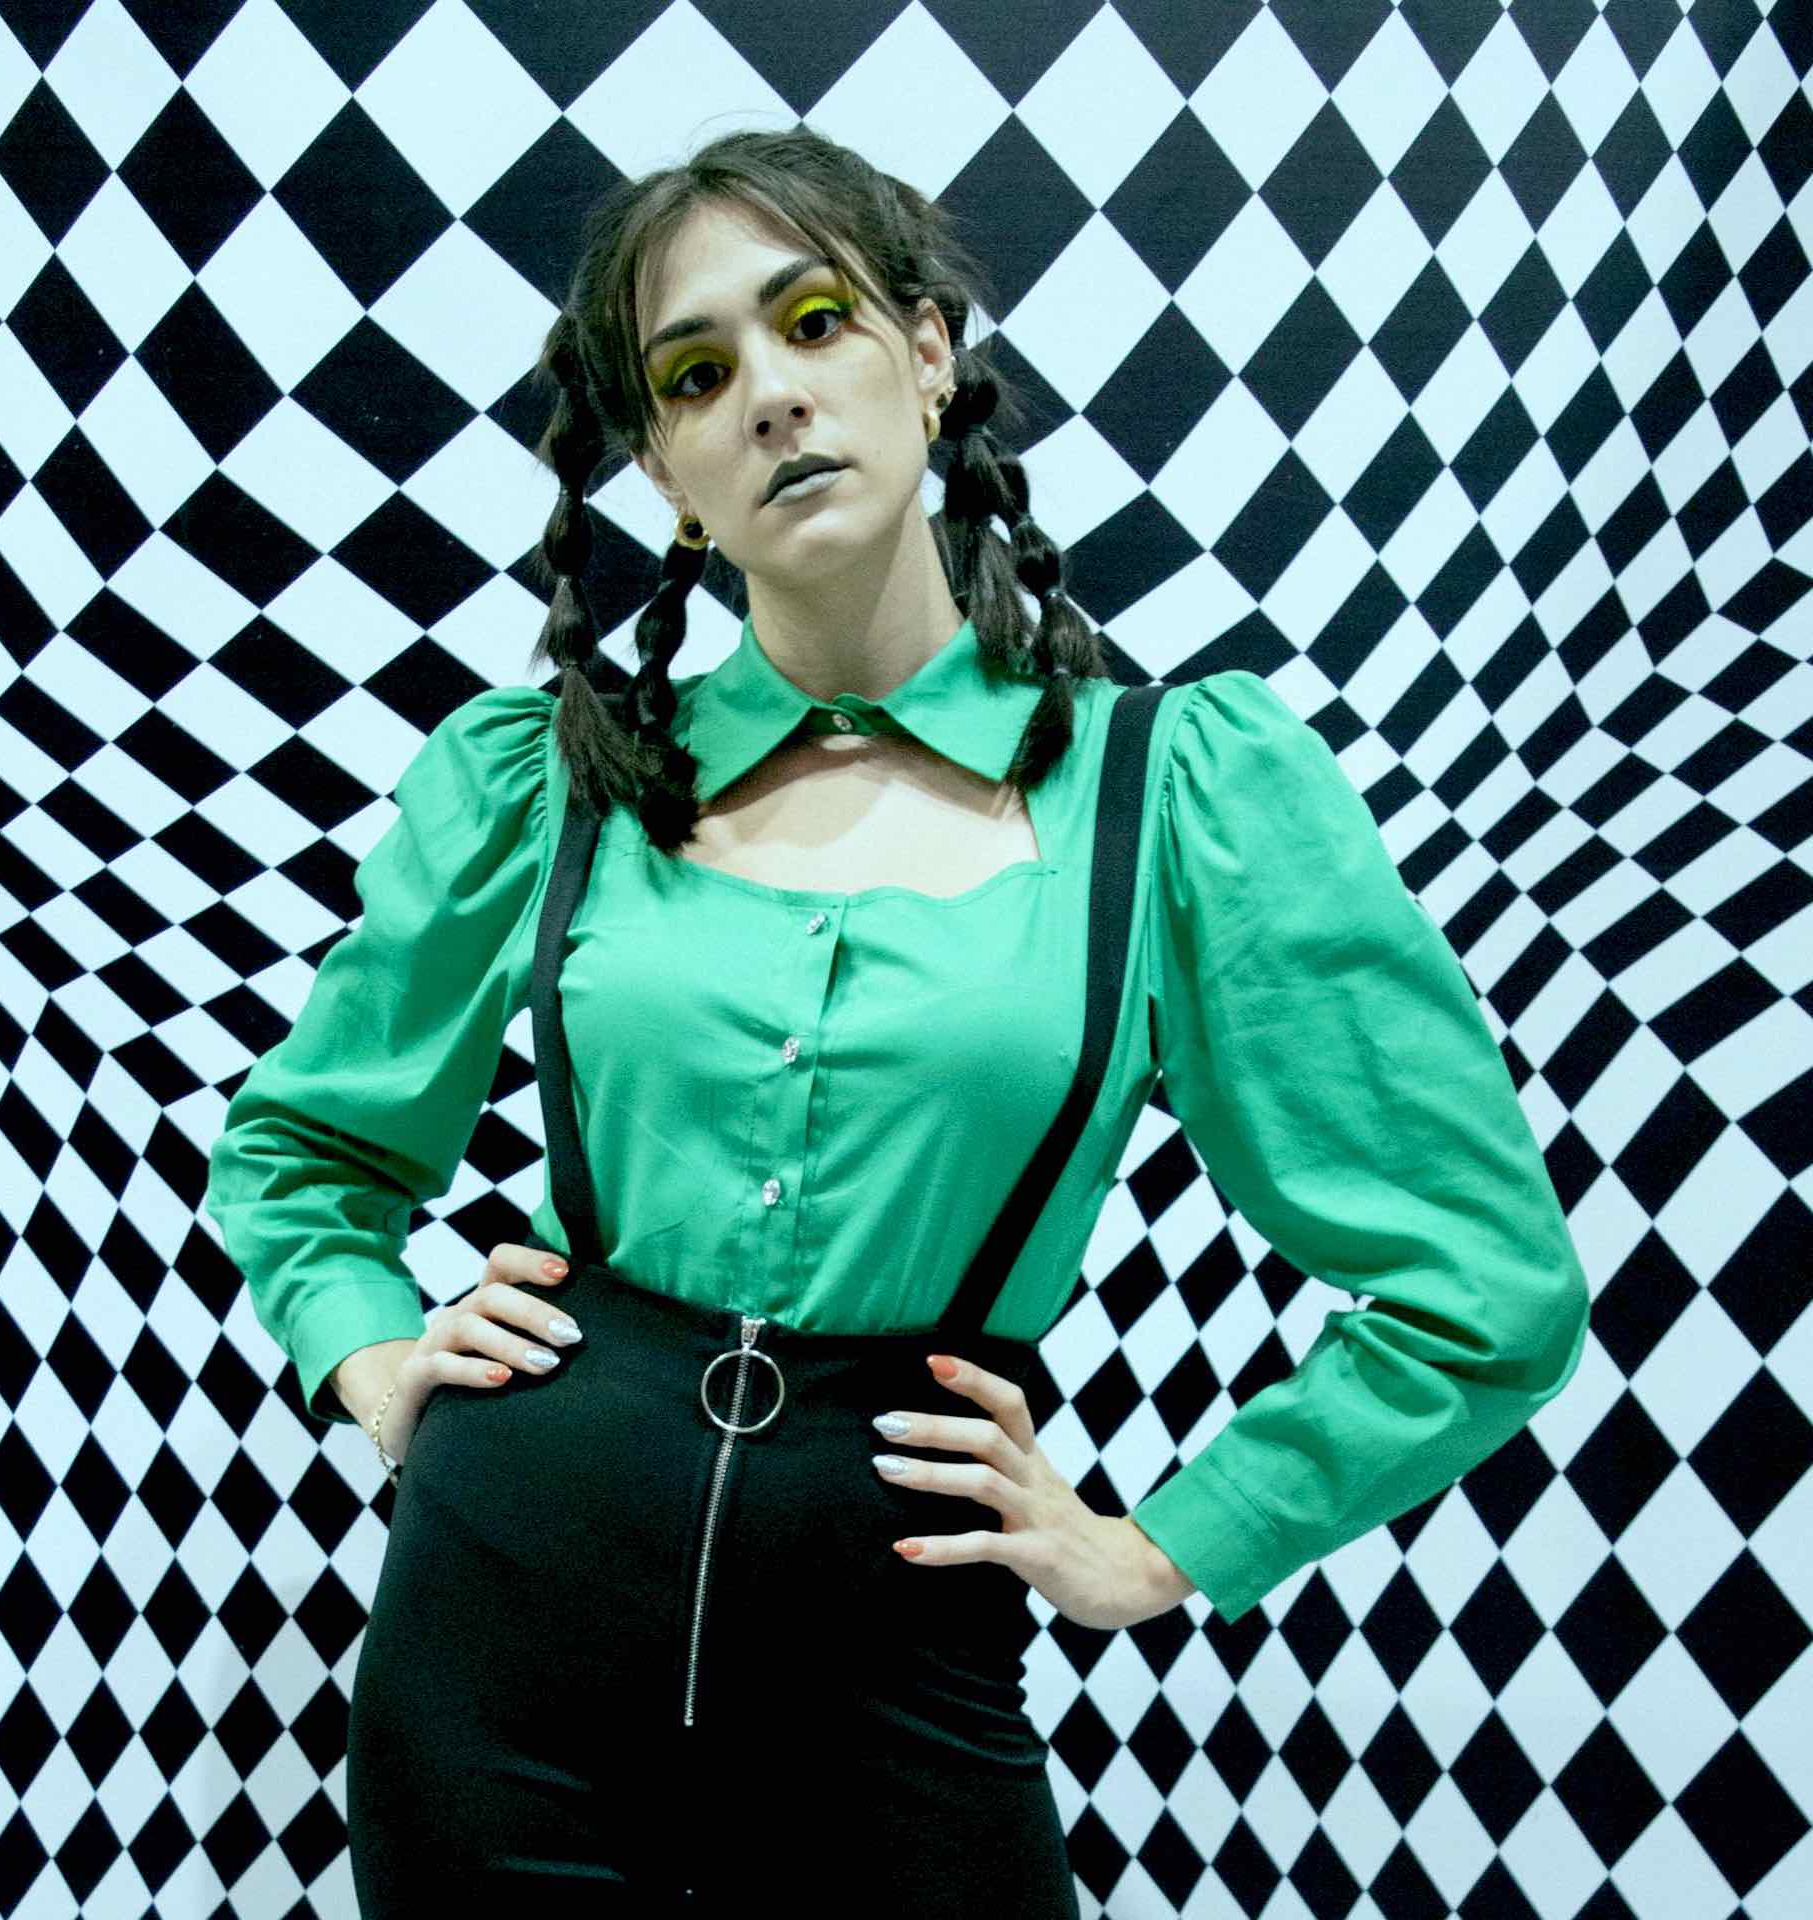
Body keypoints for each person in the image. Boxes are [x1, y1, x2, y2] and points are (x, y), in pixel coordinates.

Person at [203, 125, 1590, 1915]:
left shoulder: (1176, 795)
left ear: (928, 354)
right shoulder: (548, 783)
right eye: (696, 375)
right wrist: (379, 1362)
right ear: (667, 473)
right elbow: (303, 1147)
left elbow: (1485, 1287)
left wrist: (1163, 1546)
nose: (770, 395)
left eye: (815, 323)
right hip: (503, 1651)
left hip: (896, 1666)